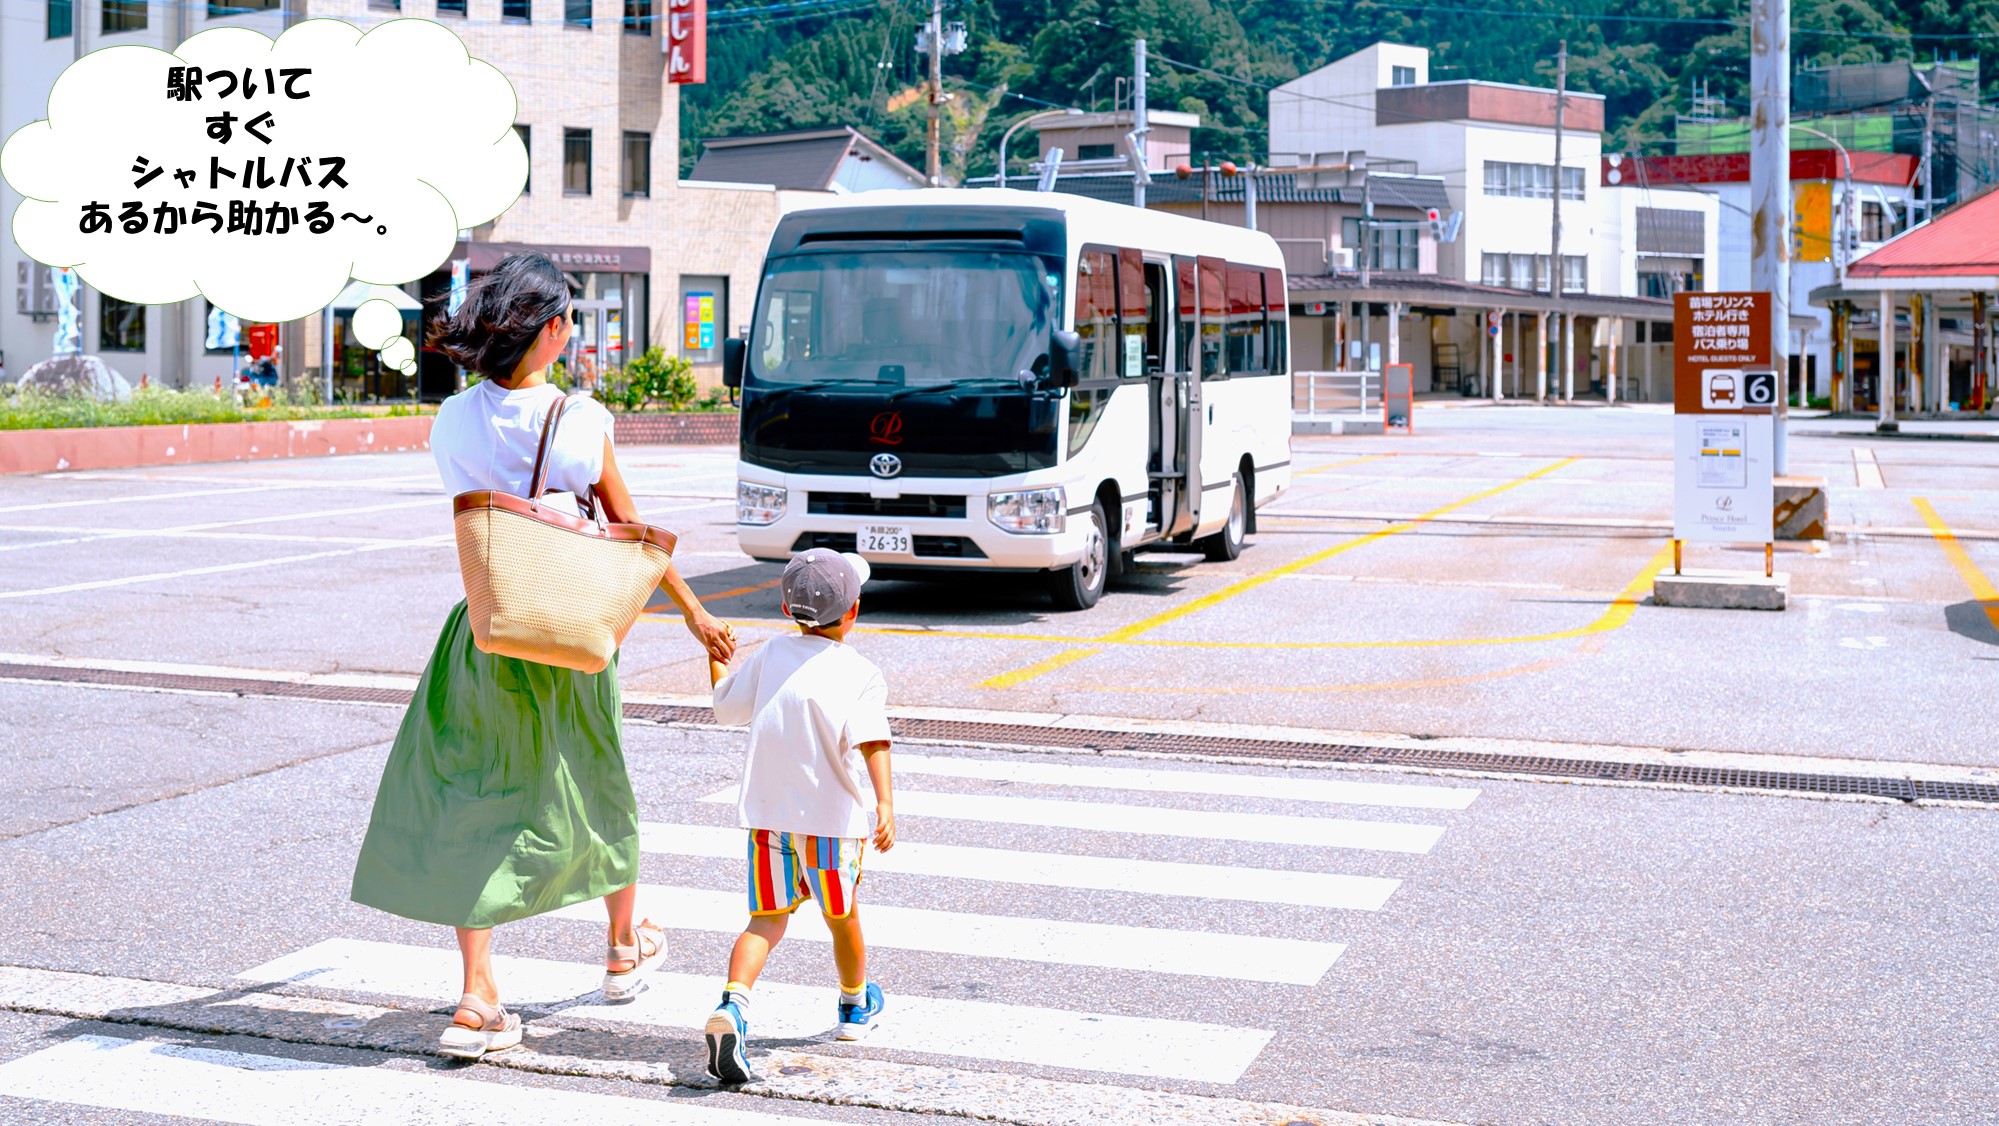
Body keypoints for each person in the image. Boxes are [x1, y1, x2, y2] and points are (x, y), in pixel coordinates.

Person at [348, 252, 737, 1061]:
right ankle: (623, 947)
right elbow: (632, 534)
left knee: (474, 795)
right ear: (553, 328)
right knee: (596, 777)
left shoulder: (450, 421)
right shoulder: (581, 421)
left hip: (486, 633)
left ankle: (476, 996)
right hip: (574, 635)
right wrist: (698, 617)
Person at [702, 549, 896, 1084]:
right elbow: (872, 741)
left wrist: (715, 652)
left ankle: (734, 1007)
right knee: (842, 917)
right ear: (853, 612)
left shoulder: (768, 655)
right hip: (831, 825)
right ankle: (855, 1006)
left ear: (788, 610)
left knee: (766, 920)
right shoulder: (860, 672)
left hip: (768, 821)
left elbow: (725, 706)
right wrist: (885, 803)